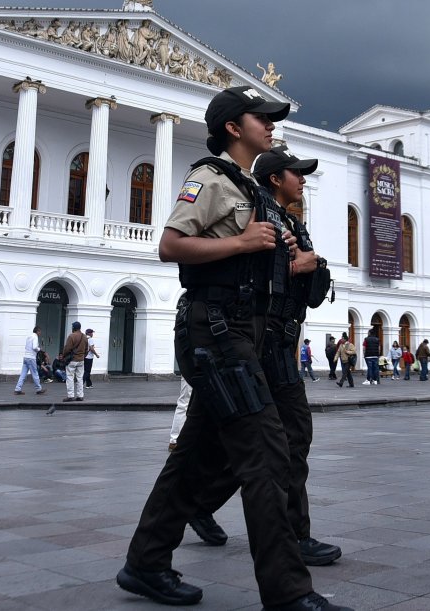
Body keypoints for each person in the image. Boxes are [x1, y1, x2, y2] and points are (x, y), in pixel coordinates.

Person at [118, 86, 347, 611]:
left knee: (197, 455)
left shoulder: (252, 190)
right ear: (232, 127)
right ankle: (288, 594)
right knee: (266, 452)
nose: (270, 125)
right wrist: (242, 242)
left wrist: (291, 256)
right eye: (260, 117)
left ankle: (146, 562)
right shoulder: (209, 179)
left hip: (245, 334)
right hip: (216, 332)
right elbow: (170, 245)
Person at [185, 145, 341, 568]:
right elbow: (254, 275)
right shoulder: (258, 214)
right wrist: (295, 266)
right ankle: (294, 536)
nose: (303, 180)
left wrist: (313, 264)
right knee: (284, 438)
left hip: (278, 342)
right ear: (275, 178)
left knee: (248, 441)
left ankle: (197, 504)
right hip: (258, 342)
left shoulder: (292, 224)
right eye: (296, 173)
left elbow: (307, 293)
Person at [60, 321, 89, 402]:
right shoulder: (84, 337)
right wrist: (83, 356)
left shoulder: (71, 336)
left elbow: (67, 348)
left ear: (73, 328)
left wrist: (63, 356)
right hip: (81, 360)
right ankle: (80, 395)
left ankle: (70, 396)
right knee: (80, 378)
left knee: (70, 377)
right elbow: (86, 349)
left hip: (72, 360)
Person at [14, 326, 46, 395]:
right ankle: (39, 389)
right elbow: (34, 347)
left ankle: (17, 389)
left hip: (26, 357)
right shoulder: (35, 337)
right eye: (40, 332)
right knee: (35, 373)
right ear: (37, 331)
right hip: (31, 358)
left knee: (23, 374)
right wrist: (39, 349)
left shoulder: (29, 337)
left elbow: (26, 346)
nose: (40, 333)